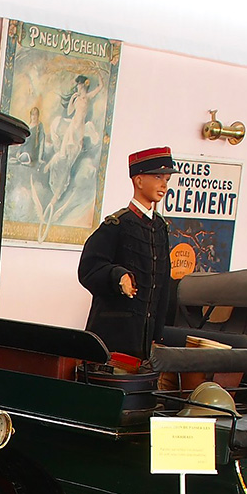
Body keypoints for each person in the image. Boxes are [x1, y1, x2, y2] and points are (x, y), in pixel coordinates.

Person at [78, 146, 178, 360]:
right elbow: (88, 268)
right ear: (139, 181)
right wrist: (118, 275)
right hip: (114, 336)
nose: (163, 185)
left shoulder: (160, 228)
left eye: (166, 179)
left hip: (145, 340)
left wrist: (157, 334)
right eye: (158, 177)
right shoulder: (117, 225)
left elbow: (163, 286)